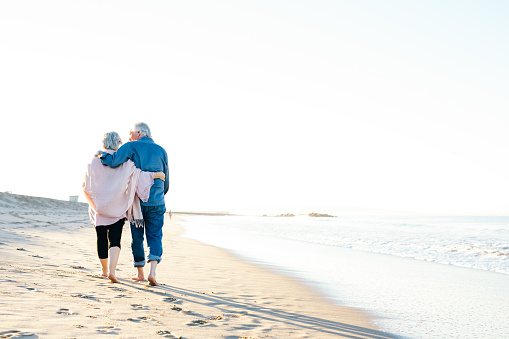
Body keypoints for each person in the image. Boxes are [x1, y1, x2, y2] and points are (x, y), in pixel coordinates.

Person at [83, 131, 165, 283]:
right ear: (119, 144)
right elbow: (138, 175)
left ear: (103, 142)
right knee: (114, 240)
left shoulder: (94, 161)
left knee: (101, 238)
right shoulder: (125, 162)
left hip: (99, 208)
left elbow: (86, 185)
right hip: (118, 209)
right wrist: (157, 175)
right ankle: (112, 271)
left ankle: (104, 270)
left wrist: (95, 202)